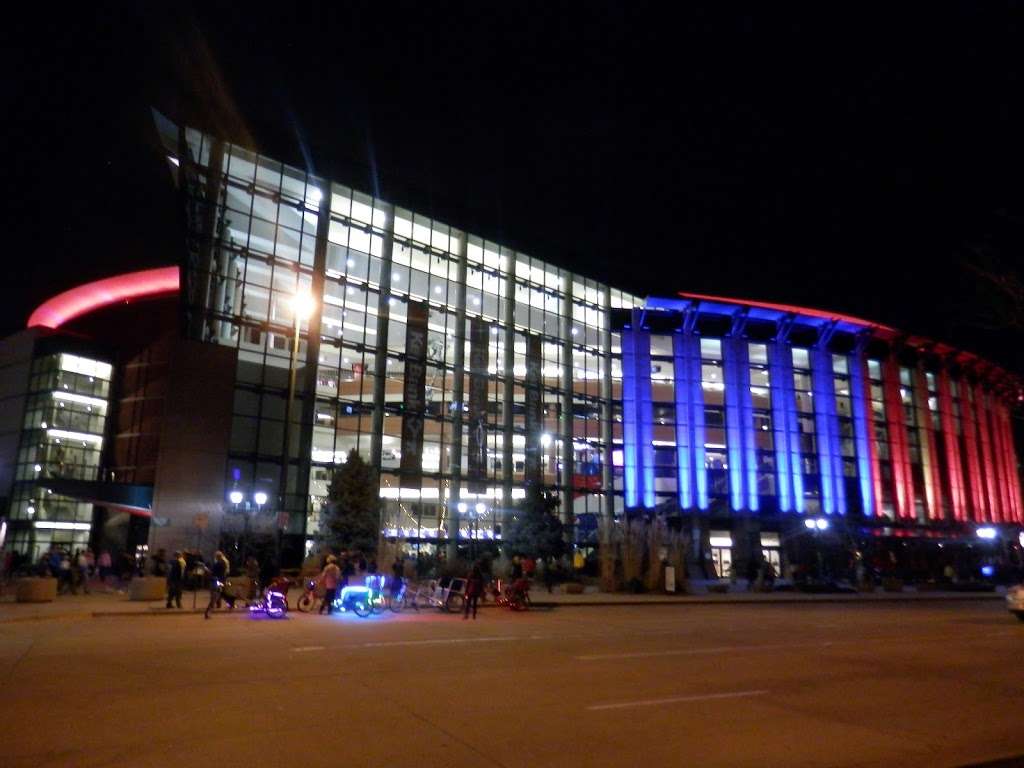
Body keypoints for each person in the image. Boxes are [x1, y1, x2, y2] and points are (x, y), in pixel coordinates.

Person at [204, 551, 233, 619]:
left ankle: (208, 612)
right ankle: (209, 611)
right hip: (220, 581)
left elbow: (213, 572)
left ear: (217, 557)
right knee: (217, 595)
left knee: (214, 597)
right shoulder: (224, 563)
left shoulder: (218, 563)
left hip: (215, 581)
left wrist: (207, 570)